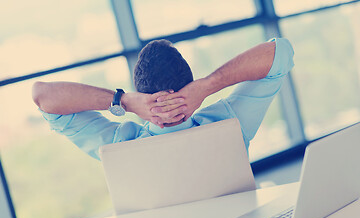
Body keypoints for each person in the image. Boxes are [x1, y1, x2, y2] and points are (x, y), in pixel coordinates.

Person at [32, 38, 294, 160]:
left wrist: (122, 101)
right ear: (189, 85)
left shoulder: (119, 145)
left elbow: (43, 97)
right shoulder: (230, 122)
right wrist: (207, 86)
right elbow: (280, 52)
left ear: (141, 95)